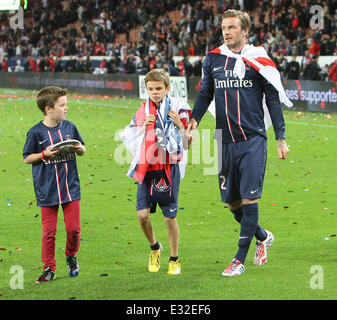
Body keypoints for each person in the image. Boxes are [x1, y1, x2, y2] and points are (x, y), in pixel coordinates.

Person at [186, 10, 290, 277]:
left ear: (245, 31)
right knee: (233, 204)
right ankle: (263, 236)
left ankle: (238, 259)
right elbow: (205, 93)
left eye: (232, 27)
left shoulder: (259, 60)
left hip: (253, 139)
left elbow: (274, 100)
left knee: (249, 198)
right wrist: (194, 122)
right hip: (224, 140)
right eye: (223, 27)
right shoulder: (213, 59)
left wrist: (280, 137)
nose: (226, 31)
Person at [120, 69, 191, 275]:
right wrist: (143, 128)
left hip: (168, 167)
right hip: (147, 166)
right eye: (150, 89)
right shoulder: (143, 111)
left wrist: (179, 125)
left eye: (159, 88)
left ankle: (174, 258)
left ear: (167, 88)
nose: (155, 92)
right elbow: (131, 139)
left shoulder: (179, 108)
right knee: (142, 215)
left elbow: (186, 145)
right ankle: (154, 247)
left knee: (169, 218)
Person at [23, 86, 86, 283]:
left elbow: (82, 149)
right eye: (62, 105)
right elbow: (27, 158)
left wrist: (79, 149)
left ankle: (70, 255)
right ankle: (49, 267)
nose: (66, 108)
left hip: (70, 188)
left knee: (74, 229)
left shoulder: (70, 127)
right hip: (47, 190)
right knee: (49, 232)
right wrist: (44, 155)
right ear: (49, 109)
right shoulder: (35, 132)